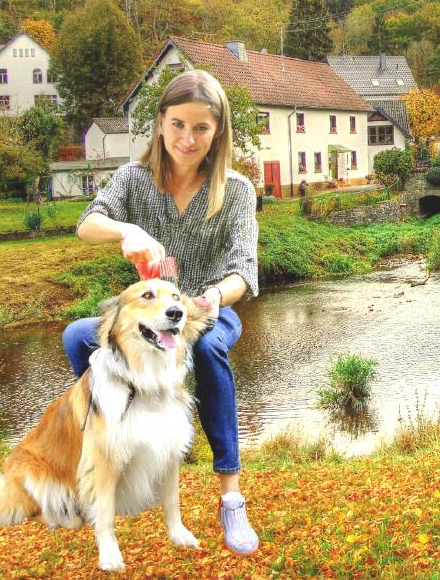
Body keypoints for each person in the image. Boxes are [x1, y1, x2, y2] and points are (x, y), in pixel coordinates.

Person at [62, 69, 260, 556]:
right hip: (149, 316)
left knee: (209, 351)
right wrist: (126, 231)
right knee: (77, 337)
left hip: (207, 310)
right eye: (177, 125)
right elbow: (87, 223)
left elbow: (244, 272)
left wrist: (212, 296)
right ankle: (114, 447)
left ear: (218, 133)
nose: (187, 139)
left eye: (201, 128)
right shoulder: (133, 178)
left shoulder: (235, 190)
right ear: (160, 123)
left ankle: (230, 496)